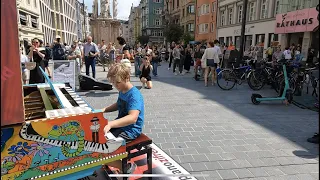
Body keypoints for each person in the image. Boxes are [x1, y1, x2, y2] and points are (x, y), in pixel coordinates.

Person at [102, 63, 144, 173]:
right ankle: (110, 162)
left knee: (101, 148)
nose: (116, 85)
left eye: (118, 82)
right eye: (113, 82)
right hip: (121, 126)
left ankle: (125, 167)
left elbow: (132, 118)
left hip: (131, 130)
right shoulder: (122, 90)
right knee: (96, 137)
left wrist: (110, 124)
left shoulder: (134, 95)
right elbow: (118, 104)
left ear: (127, 78)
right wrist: (104, 109)